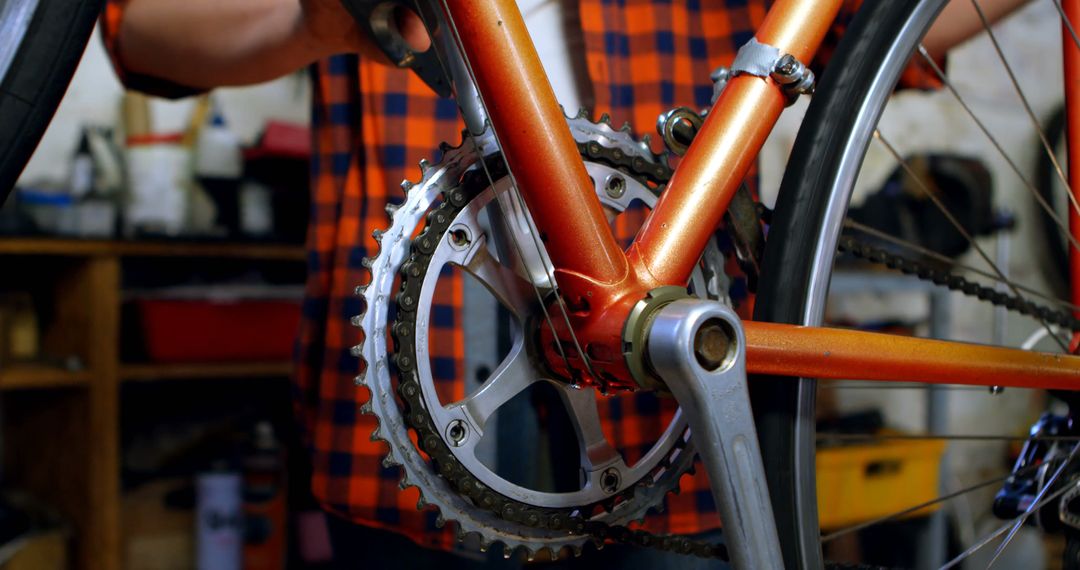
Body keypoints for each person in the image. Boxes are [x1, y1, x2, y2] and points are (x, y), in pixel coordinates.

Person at [99, 0, 1028, 567]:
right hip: (411, 374)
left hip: (680, 419)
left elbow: (884, 31)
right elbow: (138, 30)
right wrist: (311, 20)